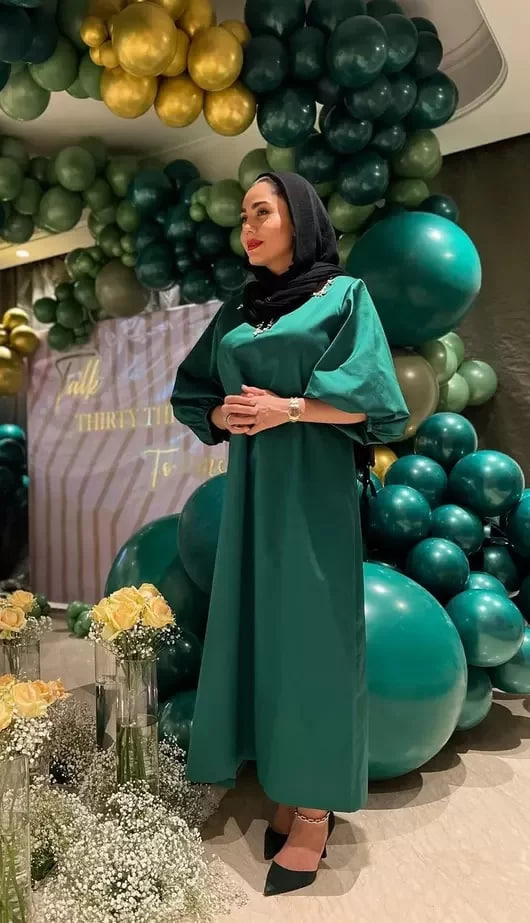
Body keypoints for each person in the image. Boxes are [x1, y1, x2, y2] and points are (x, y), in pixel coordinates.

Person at [170, 172, 410, 897]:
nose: (247, 227)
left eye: (262, 212)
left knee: (315, 644)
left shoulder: (343, 296)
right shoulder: (240, 309)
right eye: (243, 215)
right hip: (251, 496)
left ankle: (313, 808)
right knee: (265, 636)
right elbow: (194, 392)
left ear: (300, 221)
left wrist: (290, 408)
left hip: (312, 494)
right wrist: (226, 417)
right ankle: (283, 778)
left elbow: (376, 402)